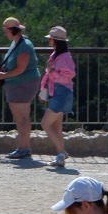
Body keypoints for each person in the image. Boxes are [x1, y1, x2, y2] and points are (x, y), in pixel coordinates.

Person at [0, 15, 41, 161]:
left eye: (5, 31)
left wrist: (3, 76)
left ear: (11, 30)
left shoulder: (24, 45)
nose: (4, 33)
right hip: (20, 83)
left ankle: (23, 148)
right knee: (23, 118)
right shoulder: (18, 43)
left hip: (22, 83)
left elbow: (20, 69)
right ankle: (24, 147)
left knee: (21, 118)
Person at [40, 24, 75, 171]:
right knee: (56, 126)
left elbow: (68, 76)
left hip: (61, 93)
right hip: (58, 92)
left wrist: (52, 71)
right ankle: (60, 154)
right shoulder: (57, 55)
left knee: (45, 124)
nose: (49, 41)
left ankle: (61, 152)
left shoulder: (63, 57)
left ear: (56, 41)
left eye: (51, 39)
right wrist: (43, 90)